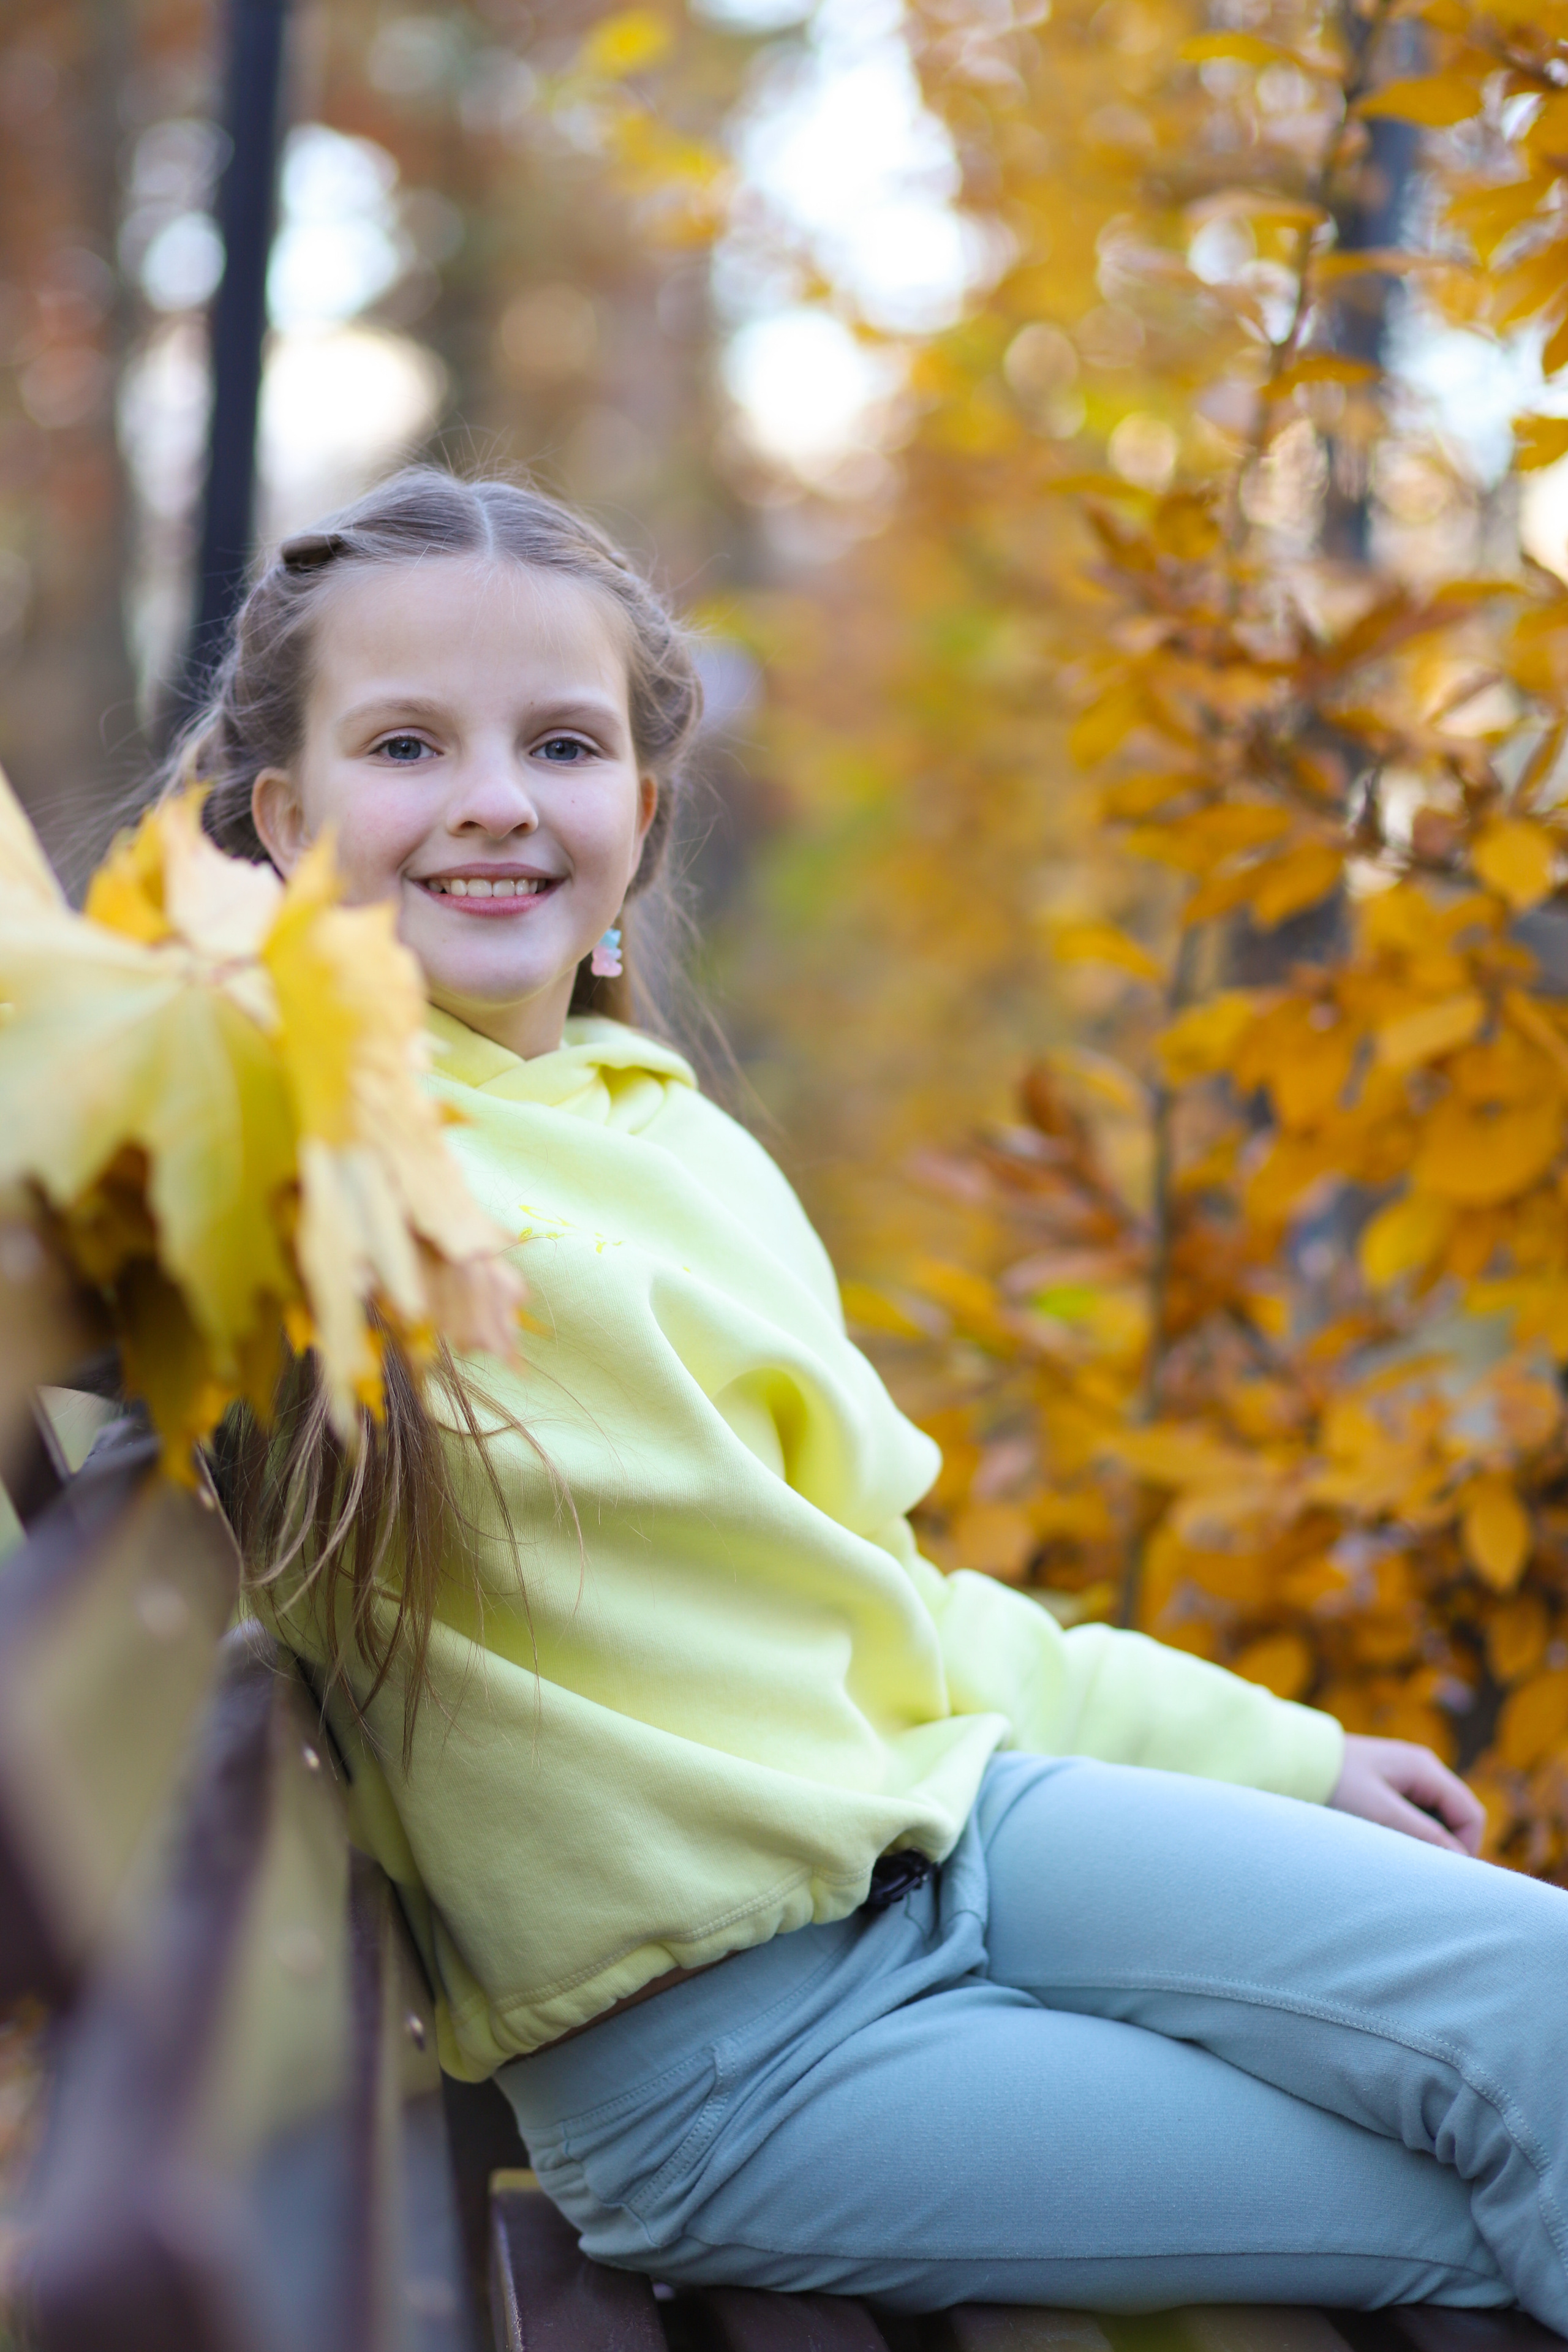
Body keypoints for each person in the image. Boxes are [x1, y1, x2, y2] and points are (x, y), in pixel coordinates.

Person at [191, 466, 1568, 2328]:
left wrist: (1282, 1751)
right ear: (284, 818)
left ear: (643, 818)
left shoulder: (668, 1140)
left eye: (566, 744)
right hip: (736, 2054)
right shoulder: (296, 1139)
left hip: (958, 1836)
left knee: (1543, 2011)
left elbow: (884, 1608)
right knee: (1466, 2212)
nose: (499, 799)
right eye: (410, 744)